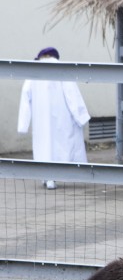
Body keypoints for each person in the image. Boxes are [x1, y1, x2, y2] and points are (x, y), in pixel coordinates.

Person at [17, 47, 90, 190]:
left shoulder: (32, 73)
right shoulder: (61, 69)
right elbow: (72, 95)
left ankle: (46, 177)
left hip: (41, 122)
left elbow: (25, 98)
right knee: (61, 148)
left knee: (44, 148)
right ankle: (56, 176)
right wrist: (81, 117)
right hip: (62, 119)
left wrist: (23, 125)